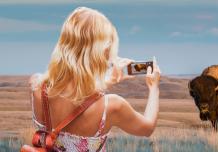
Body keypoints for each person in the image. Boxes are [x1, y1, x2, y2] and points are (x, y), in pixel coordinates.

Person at [29, 7, 161, 152]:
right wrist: (154, 87)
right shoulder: (112, 106)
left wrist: (108, 81)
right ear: (99, 52)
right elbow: (147, 128)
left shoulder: (37, 86)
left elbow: (75, 98)